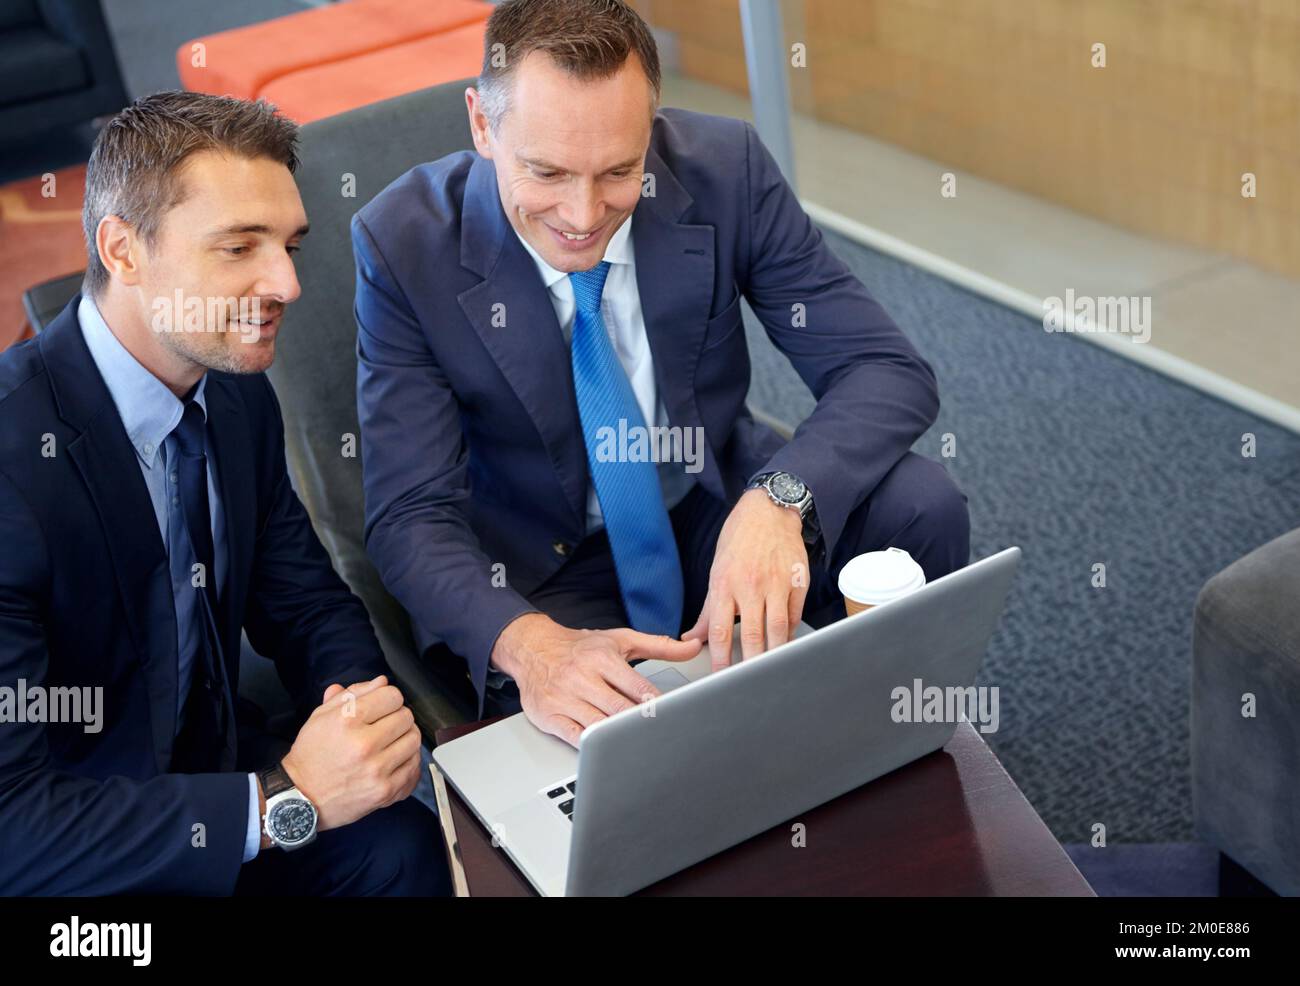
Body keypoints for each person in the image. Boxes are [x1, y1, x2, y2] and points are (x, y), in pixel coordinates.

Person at [354, 0, 969, 746]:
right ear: (482, 125)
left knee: (919, 506)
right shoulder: (402, 243)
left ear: (652, 128)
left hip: (709, 501)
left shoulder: (726, 170)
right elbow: (410, 515)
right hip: (539, 571)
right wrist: (528, 644)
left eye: (618, 170)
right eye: (546, 171)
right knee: (631, 767)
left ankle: (894, 756)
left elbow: (885, 367)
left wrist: (782, 498)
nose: (583, 215)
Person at [0, 92, 449, 895]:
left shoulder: (234, 393)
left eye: (289, 245)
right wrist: (284, 799)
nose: (285, 283)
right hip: (79, 864)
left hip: (222, 787)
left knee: (407, 848)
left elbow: (306, 603)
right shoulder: (12, 461)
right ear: (124, 249)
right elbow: (13, 826)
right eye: (240, 247)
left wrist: (358, 723)